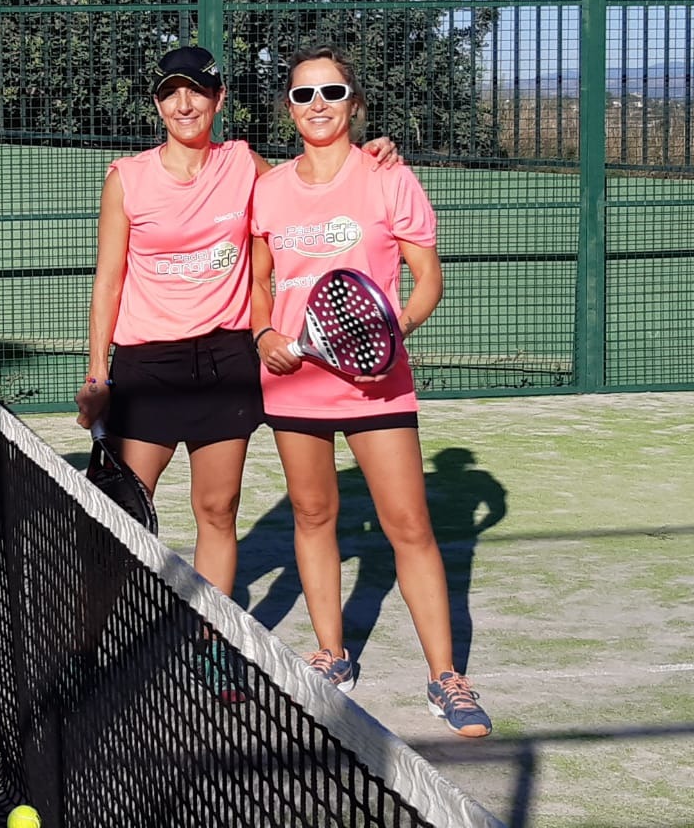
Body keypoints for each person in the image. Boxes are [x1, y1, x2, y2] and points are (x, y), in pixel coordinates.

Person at [74, 45, 401, 603]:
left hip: (225, 362)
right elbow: (108, 283)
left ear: (218, 99)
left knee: (217, 509)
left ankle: (210, 638)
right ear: (157, 105)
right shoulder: (127, 179)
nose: (184, 105)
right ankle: (89, 642)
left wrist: (366, 159)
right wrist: (98, 373)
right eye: (170, 94)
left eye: (196, 91)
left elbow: (311, 190)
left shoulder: (246, 165)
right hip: (146, 367)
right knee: (117, 513)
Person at [249, 44, 492, 738]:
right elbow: (259, 280)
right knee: (312, 515)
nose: (317, 105)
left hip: (376, 384)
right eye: (303, 94)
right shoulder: (268, 188)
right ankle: (332, 655)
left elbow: (427, 278)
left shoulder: (389, 177)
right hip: (293, 383)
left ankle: (446, 677)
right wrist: (264, 334)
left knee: (408, 525)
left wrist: (391, 332)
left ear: (354, 104)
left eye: (331, 92)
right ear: (288, 108)